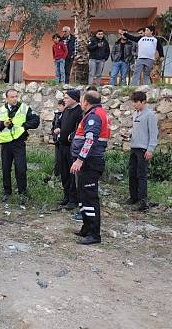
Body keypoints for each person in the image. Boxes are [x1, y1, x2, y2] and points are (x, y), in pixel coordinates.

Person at [69, 90, 110, 245]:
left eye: (81, 100)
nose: (81, 103)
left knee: (90, 198)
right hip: (89, 162)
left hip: (90, 162)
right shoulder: (97, 113)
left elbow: (89, 140)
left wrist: (80, 159)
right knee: (83, 196)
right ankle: (86, 228)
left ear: (86, 102)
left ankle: (94, 234)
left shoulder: (93, 116)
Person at [0, 89, 40, 203]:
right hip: (5, 144)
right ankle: (7, 192)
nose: (14, 99)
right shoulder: (0, 110)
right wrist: (3, 124)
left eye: (16, 96)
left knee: (21, 168)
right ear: (7, 98)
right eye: (12, 97)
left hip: (18, 142)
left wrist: (24, 126)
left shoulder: (24, 108)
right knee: (6, 168)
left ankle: (22, 192)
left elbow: (35, 121)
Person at [128, 91, 159, 211]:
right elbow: (136, 129)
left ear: (143, 102)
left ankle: (143, 201)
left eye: (136, 102)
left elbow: (153, 133)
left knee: (141, 175)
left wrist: (150, 149)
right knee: (132, 173)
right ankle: (133, 197)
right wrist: (130, 134)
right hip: (134, 147)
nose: (134, 104)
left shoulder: (150, 115)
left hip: (143, 149)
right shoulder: (135, 114)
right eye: (133, 102)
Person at [55, 90, 83, 210]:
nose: (64, 100)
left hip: (72, 148)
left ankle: (73, 199)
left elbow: (80, 128)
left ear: (74, 99)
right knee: (64, 172)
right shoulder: (66, 110)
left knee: (72, 174)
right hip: (62, 146)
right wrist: (57, 129)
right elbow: (60, 123)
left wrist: (72, 136)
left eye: (66, 98)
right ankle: (66, 196)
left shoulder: (79, 112)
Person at [51, 99, 66, 177]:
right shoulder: (57, 115)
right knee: (58, 159)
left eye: (60, 105)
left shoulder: (68, 115)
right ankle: (57, 175)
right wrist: (54, 136)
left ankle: (64, 175)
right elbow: (53, 126)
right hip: (57, 142)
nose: (58, 107)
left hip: (65, 142)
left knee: (64, 160)